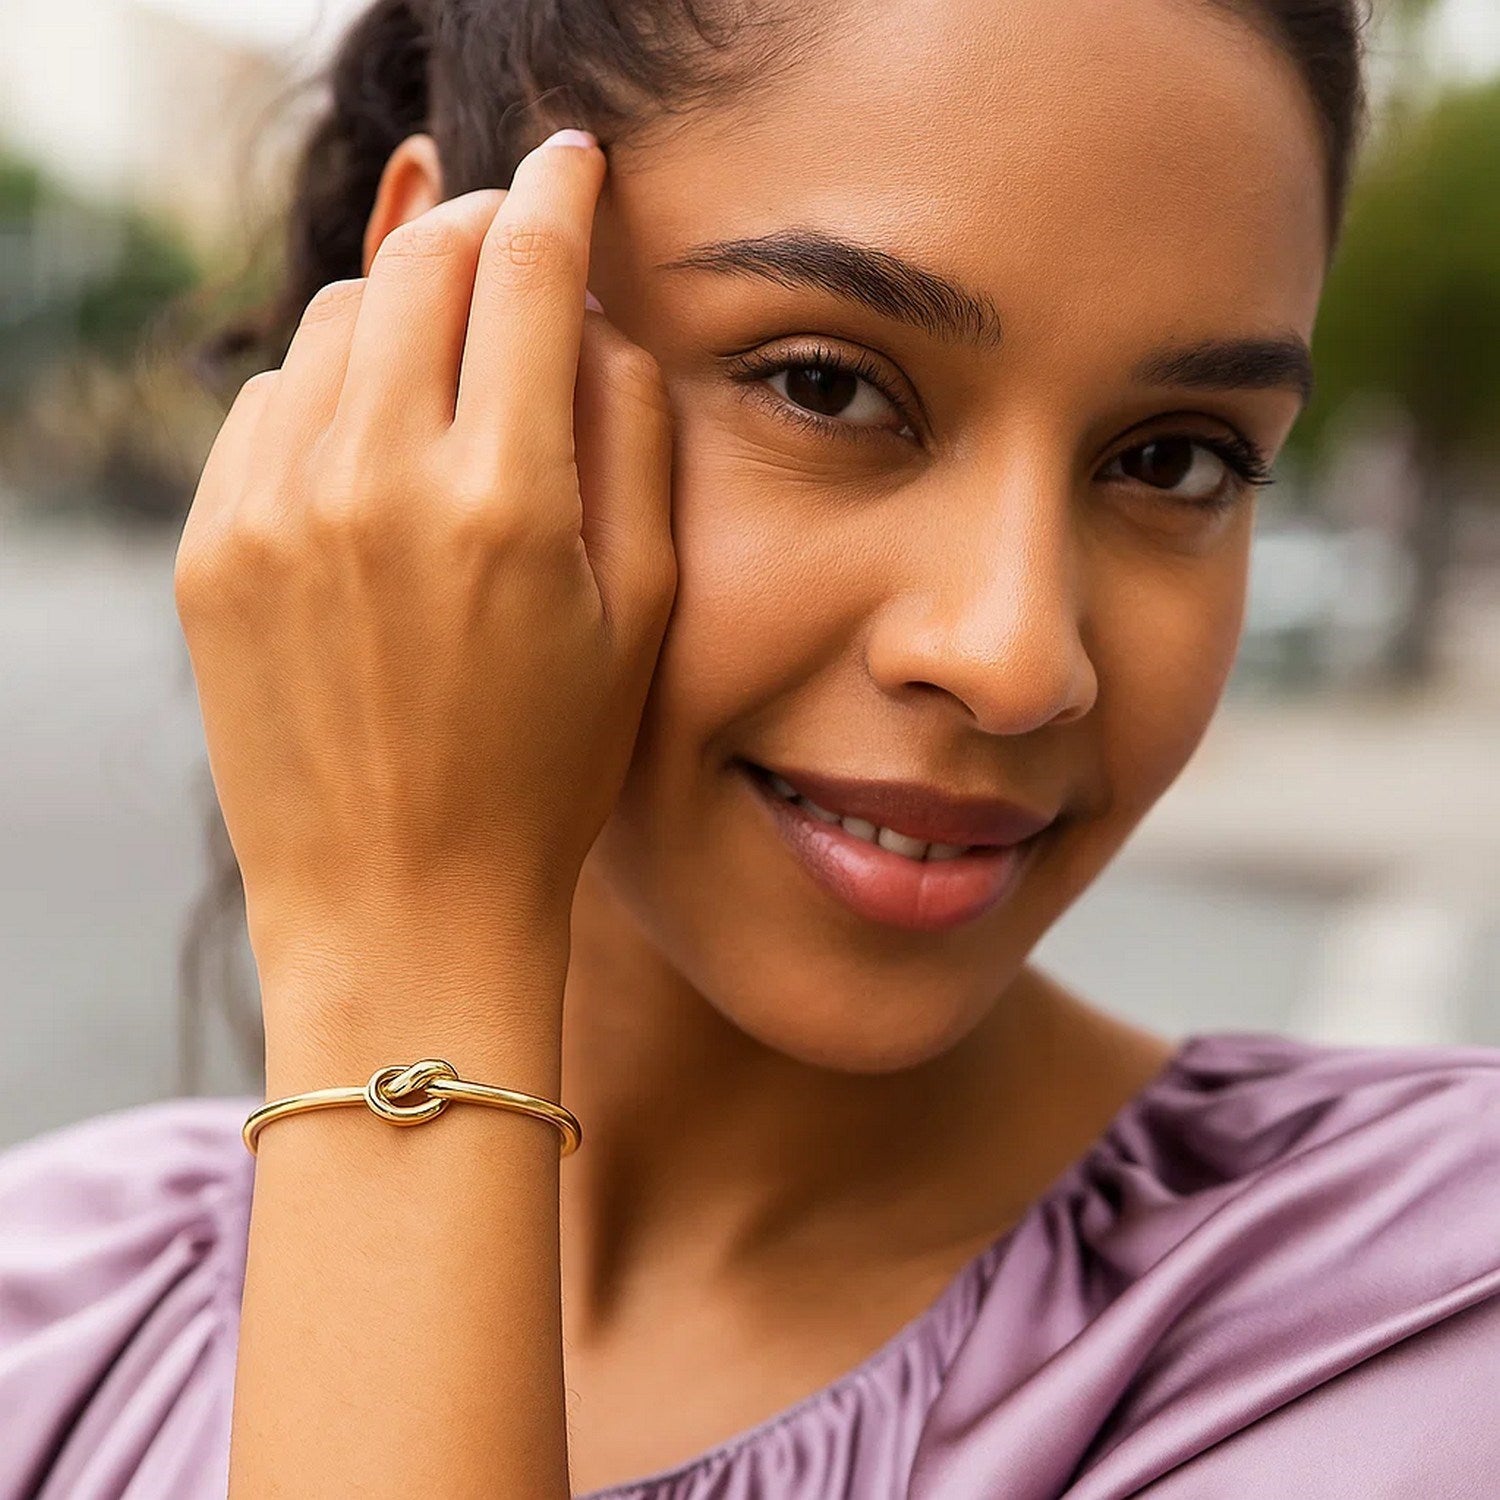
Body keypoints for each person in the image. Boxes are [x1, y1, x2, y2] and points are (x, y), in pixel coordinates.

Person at [3, 0, 1499, 1494]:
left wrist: (406, 964)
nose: (1017, 656)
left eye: (1176, 458)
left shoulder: (1417, 1308)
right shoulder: (49, 1321)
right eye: (827, 384)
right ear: (435, 305)